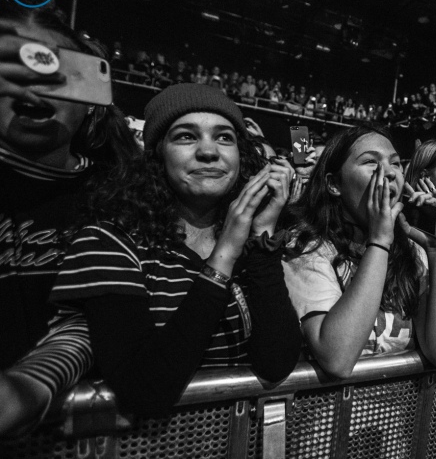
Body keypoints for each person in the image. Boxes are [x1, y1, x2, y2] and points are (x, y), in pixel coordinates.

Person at [49, 84, 302, 417]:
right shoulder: (109, 241)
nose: (209, 151)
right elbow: (143, 391)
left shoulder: (251, 248)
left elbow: (276, 364)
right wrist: (224, 254)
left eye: (225, 137)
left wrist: (262, 237)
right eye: (186, 136)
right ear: (157, 155)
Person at [0, 2, 139, 435]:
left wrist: (30, 384)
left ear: (90, 102)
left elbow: (98, 313)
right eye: (14, 67)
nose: (33, 90)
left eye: (56, 72)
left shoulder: (120, 196)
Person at [282, 125, 436, 378]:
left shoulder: (409, 250)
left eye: (395, 163)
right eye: (370, 161)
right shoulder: (308, 246)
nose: (388, 173)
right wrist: (379, 241)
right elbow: (338, 359)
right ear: (334, 184)